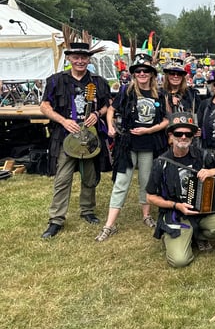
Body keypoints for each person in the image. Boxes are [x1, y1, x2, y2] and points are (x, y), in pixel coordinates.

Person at [143, 112, 215, 267]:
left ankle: (199, 235)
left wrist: (212, 171)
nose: (184, 137)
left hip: (203, 212)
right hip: (177, 215)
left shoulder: (202, 155)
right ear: (171, 136)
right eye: (179, 133)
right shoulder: (160, 163)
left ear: (193, 136)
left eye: (188, 134)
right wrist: (176, 206)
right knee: (179, 261)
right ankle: (175, 237)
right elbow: (150, 197)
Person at [40, 42, 111, 239]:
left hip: (90, 138)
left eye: (84, 57)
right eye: (76, 57)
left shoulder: (98, 82)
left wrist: (97, 114)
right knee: (63, 178)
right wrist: (63, 121)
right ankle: (56, 219)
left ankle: (87, 210)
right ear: (69, 58)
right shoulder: (56, 81)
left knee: (90, 176)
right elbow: (44, 106)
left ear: (89, 59)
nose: (80, 61)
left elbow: (108, 105)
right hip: (65, 136)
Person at [96, 54, 168, 241]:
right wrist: (111, 126)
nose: (142, 74)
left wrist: (150, 130)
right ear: (134, 74)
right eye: (138, 71)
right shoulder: (126, 92)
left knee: (146, 181)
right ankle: (109, 225)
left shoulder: (159, 95)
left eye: (146, 71)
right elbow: (111, 109)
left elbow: (167, 120)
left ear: (152, 74)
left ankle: (146, 215)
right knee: (121, 182)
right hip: (127, 144)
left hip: (149, 144)